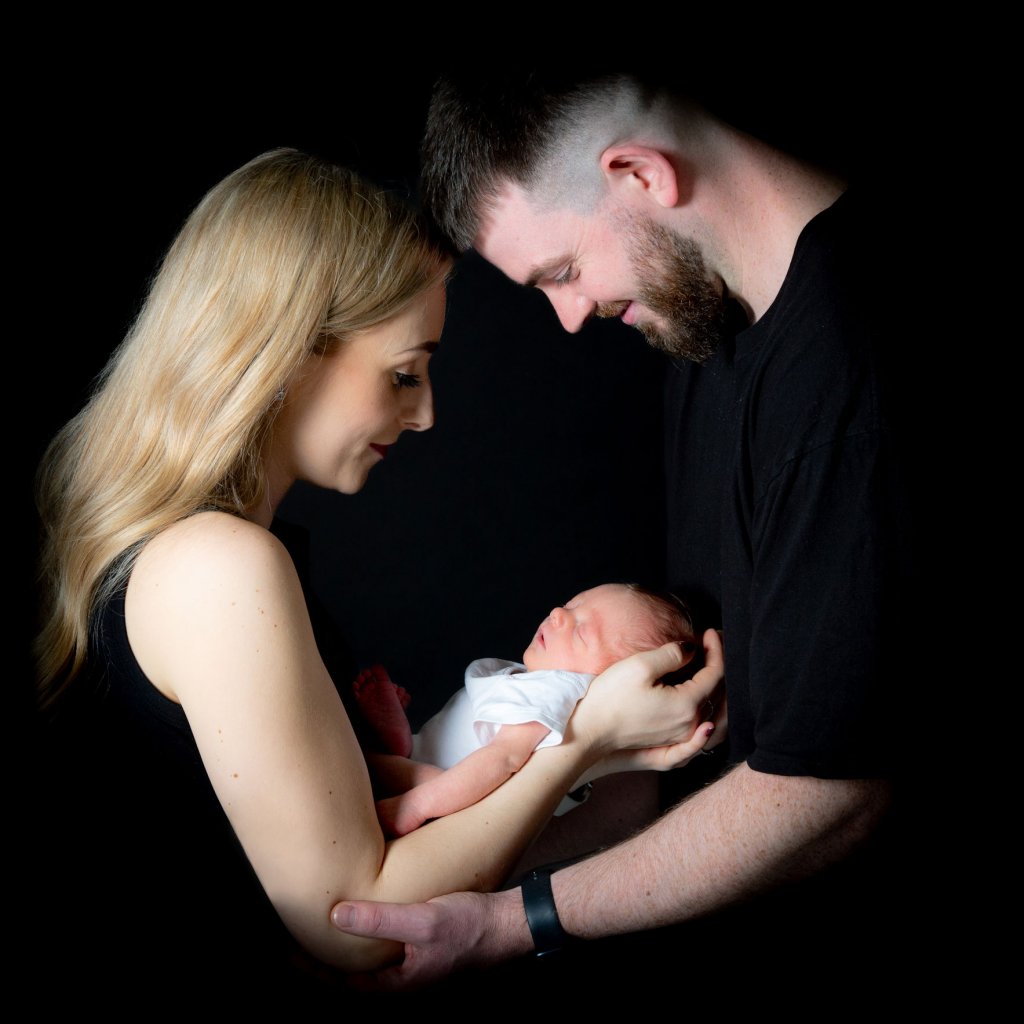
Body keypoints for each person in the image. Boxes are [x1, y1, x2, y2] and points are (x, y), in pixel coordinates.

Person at [28, 146, 726, 998]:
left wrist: (612, 766)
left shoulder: (211, 554)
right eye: (403, 373)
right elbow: (357, 924)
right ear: (289, 351)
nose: (424, 412)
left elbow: (402, 849)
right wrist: (582, 742)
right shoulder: (217, 568)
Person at [329, 71, 921, 990]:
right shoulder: (708, 316)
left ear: (640, 174)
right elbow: (658, 768)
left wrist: (511, 923)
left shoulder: (851, 380)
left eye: (563, 272)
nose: (570, 316)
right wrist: (463, 876)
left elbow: (827, 795)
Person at [354, 582, 714, 836]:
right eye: (572, 604)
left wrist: (417, 806)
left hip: (449, 795)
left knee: (366, 763)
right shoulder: (542, 682)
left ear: (613, 684)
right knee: (387, 758)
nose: (558, 614)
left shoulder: (553, 693)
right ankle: (402, 744)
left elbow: (503, 760)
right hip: (435, 765)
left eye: (581, 632)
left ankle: (396, 754)